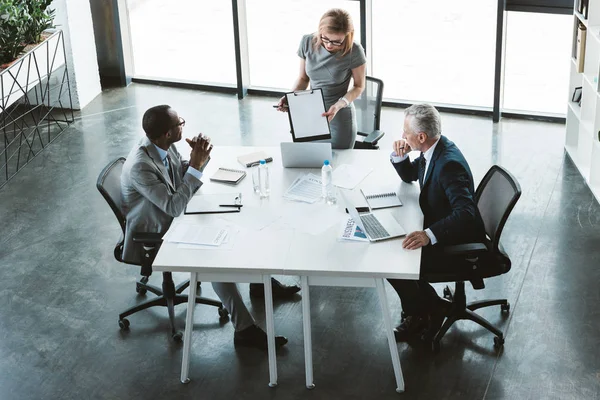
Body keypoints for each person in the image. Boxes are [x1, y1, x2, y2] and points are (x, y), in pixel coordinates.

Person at [120, 104, 288, 350]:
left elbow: (180, 174)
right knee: (215, 258)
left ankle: (259, 283)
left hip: (173, 214)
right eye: (180, 123)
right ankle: (244, 330)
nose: (183, 126)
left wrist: (201, 156)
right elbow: (174, 206)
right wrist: (196, 166)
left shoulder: (162, 145)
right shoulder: (141, 166)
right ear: (167, 133)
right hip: (158, 231)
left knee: (234, 219)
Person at [387, 104, 486, 343]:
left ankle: (425, 311)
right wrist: (401, 157)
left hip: (457, 239)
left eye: (405, 132)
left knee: (395, 263)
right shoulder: (433, 148)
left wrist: (429, 234)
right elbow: (413, 175)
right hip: (441, 220)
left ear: (421, 136)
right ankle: (425, 307)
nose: (402, 136)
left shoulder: (448, 164)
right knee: (396, 252)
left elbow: (466, 213)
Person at [276, 8, 367, 149]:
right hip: (311, 113)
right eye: (325, 38)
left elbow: (359, 86)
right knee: (308, 160)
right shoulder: (307, 41)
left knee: (339, 164)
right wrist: (290, 97)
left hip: (339, 113)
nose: (329, 45)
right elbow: (303, 78)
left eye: (337, 41)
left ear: (347, 36)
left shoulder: (354, 50)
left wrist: (339, 104)